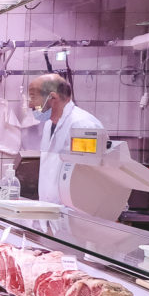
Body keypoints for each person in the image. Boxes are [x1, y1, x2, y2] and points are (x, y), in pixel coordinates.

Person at [28, 73, 103, 204]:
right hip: (52, 212)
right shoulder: (49, 125)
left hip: (77, 213)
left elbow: (90, 176)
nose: (30, 105)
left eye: (33, 97)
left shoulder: (82, 126)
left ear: (52, 97)